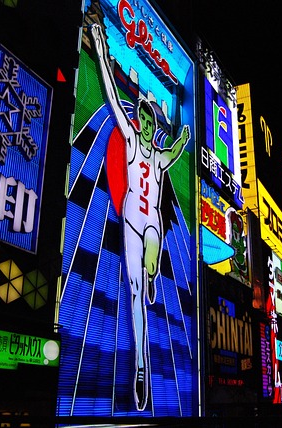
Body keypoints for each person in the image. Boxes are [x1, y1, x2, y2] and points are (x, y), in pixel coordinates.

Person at [89, 24, 190, 411]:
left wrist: (181, 141)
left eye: (151, 123)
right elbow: (114, 98)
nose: (147, 126)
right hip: (131, 221)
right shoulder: (132, 141)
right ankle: (142, 369)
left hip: (150, 226)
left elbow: (176, 152)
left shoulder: (158, 157)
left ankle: (150, 274)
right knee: (136, 297)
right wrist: (100, 46)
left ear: (154, 128)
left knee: (151, 253)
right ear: (140, 123)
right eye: (144, 121)